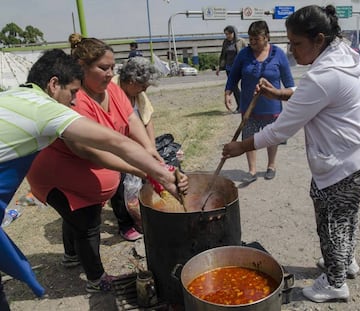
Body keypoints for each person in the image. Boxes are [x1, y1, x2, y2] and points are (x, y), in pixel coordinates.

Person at [0, 49, 188, 310]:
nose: (75, 101)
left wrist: (153, 164)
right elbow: (114, 142)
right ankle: (96, 278)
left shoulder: (17, 95)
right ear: (54, 85)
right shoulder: (46, 109)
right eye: (73, 93)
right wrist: (161, 174)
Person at [222, 5, 360, 303]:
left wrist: (240, 146)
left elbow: (279, 131)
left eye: (296, 43)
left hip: (342, 163)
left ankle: (334, 282)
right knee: (346, 216)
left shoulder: (324, 75)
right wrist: (279, 94)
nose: (291, 50)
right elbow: (313, 94)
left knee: (331, 222)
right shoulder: (341, 53)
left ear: (319, 39)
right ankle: (346, 261)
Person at [224, 20, 295, 183]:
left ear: (267, 37)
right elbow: (234, 75)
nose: (253, 43)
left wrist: (291, 96)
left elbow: (289, 82)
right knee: (249, 137)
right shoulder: (244, 54)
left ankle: (271, 165)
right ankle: (252, 170)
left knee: (272, 137)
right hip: (249, 105)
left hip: (272, 106)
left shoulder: (278, 54)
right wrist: (228, 91)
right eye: (251, 39)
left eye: (257, 39)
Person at [110, 56, 161, 240]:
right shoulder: (111, 91)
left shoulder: (137, 93)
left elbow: (147, 119)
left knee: (137, 184)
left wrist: (152, 148)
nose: (145, 89)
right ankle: (124, 225)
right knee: (118, 184)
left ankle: (139, 216)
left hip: (134, 145)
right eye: (143, 85)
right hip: (115, 145)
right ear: (131, 81)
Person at [216, 25, 247, 113]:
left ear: (234, 33)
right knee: (233, 87)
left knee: (245, 86)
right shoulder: (225, 42)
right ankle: (240, 106)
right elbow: (223, 55)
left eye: (229, 34)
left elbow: (248, 53)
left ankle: (246, 105)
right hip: (229, 68)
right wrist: (220, 67)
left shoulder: (241, 41)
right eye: (226, 34)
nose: (227, 36)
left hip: (240, 67)